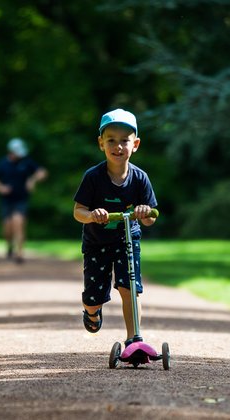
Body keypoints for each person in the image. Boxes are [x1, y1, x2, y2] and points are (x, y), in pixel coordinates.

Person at [72, 109, 158, 347]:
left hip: (127, 240)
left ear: (136, 144)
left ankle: (134, 339)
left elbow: (151, 218)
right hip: (96, 242)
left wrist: (144, 213)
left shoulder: (140, 178)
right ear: (101, 143)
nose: (118, 146)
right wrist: (91, 215)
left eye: (124, 141)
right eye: (111, 140)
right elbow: (78, 211)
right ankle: (91, 311)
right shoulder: (93, 177)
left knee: (130, 287)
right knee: (93, 296)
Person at [0, 137, 47, 264]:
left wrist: (32, 180)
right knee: (8, 228)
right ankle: (9, 245)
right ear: (11, 152)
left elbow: (42, 172)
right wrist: (1, 188)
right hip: (7, 200)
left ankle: (19, 254)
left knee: (19, 223)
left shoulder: (26, 162)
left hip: (21, 199)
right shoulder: (2, 163)